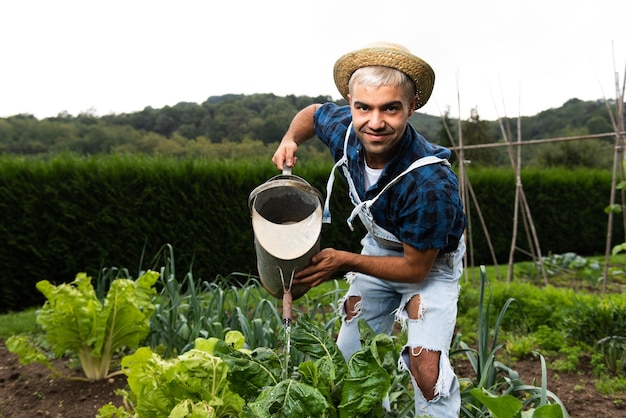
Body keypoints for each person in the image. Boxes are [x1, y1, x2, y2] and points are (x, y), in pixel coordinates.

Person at [272, 42, 466, 417]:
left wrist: (345, 261)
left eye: (390, 108)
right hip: (377, 249)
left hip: (427, 267)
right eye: (364, 107)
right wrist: (290, 138)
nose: (375, 122)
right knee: (350, 360)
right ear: (350, 103)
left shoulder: (430, 182)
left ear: (411, 107)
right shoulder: (346, 129)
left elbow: (415, 269)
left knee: (426, 368)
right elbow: (312, 114)